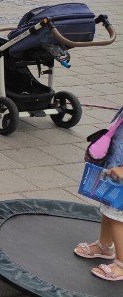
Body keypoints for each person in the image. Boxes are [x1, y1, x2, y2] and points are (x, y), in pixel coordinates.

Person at [74, 109, 123, 281]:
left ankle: (122, 264)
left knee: (118, 218)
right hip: (114, 172)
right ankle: (104, 245)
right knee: (108, 210)